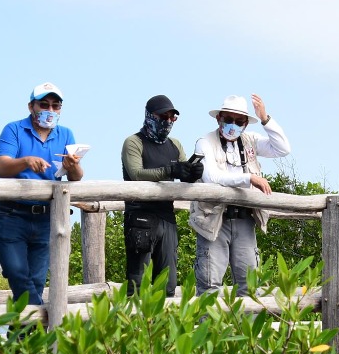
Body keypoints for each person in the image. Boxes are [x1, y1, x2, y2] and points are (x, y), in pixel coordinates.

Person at [0, 82, 85, 304]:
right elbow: (2, 168)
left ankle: (22, 337)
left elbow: (76, 177)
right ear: (31, 107)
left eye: (56, 106)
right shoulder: (13, 129)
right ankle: (41, 331)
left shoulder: (66, 134)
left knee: (35, 281)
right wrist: (25, 162)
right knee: (17, 275)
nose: (50, 110)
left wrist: (73, 167)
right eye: (44, 105)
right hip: (10, 214)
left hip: (47, 217)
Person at [190, 94, 290, 296]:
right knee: (210, 285)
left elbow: (283, 149)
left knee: (250, 288)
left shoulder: (250, 141)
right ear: (218, 118)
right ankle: (207, 329)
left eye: (238, 121)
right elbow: (210, 177)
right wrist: (249, 178)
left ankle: (247, 329)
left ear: (245, 124)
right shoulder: (204, 142)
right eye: (228, 119)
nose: (232, 125)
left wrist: (265, 119)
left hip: (245, 220)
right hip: (214, 220)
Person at [121, 95, 187, 296]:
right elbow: (136, 174)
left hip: (167, 217)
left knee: (168, 284)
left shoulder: (175, 144)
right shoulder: (133, 142)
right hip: (140, 217)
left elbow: (182, 170)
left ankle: (164, 327)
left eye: (172, 118)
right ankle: (133, 327)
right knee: (137, 284)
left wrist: (191, 172)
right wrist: (171, 171)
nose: (167, 121)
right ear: (149, 115)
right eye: (162, 116)